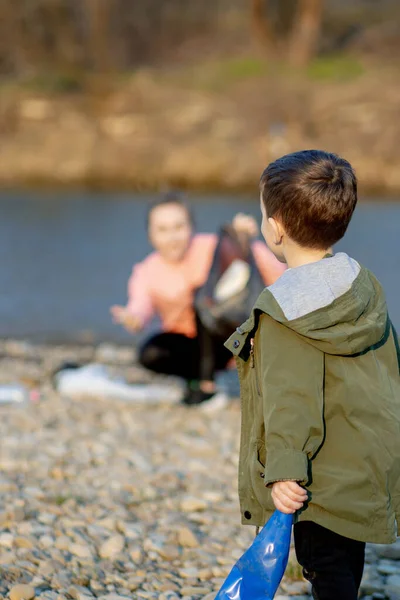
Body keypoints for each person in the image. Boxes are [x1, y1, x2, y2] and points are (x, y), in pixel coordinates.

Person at [225, 150, 400, 599]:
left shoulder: (284, 310)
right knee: (345, 564)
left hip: (315, 479)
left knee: (323, 567)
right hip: (362, 466)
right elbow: (388, 372)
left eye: (263, 212)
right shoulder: (362, 286)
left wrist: (284, 471)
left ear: (276, 226)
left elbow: (291, 398)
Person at [110, 191, 285, 407]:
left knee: (202, 298)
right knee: (150, 353)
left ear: (191, 226)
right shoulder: (146, 271)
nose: (172, 236)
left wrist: (242, 240)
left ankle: (207, 386)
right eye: (163, 230)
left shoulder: (215, 247)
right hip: (188, 345)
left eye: (178, 227)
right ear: (150, 235)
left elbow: (275, 271)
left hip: (229, 336)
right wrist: (133, 318)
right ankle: (201, 378)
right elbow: (140, 307)